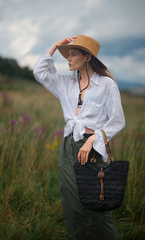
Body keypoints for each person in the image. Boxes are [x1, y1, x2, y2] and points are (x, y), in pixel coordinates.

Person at [33, 35, 125, 240]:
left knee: (95, 201)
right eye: (68, 54)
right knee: (71, 202)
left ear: (87, 57)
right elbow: (39, 72)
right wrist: (55, 46)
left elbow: (117, 121)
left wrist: (94, 139)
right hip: (69, 146)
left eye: (73, 54)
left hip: (91, 148)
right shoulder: (66, 84)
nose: (68, 58)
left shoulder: (107, 85)